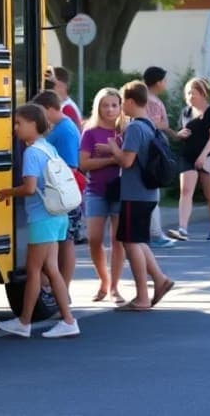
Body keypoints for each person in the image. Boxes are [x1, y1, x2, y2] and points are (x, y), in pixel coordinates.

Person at [0, 103, 81, 338]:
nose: (15, 128)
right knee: (51, 269)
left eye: (19, 123)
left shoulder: (31, 152)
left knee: (34, 270)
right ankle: (68, 320)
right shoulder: (48, 148)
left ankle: (24, 322)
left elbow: (30, 188)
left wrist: (8, 192)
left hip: (42, 218)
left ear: (33, 124)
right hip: (57, 216)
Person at [108, 81, 175, 311]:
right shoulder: (150, 126)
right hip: (148, 193)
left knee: (130, 242)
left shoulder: (135, 128)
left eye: (121, 102)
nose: (120, 108)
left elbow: (127, 161)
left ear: (129, 101)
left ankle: (142, 297)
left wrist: (113, 149)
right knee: (138, 240)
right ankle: (159, 279)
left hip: (134, 193)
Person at [32, 90, 83, 293]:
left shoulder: (66, 130)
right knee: (61, 241)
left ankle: (64, 288)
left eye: (41, 112)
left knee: (66, 241)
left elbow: (71, 166)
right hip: (59, 194)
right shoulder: (59, 128)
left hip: (64, 195)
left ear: (50, 109)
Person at [79, 88, 127, 302]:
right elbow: (83, 164)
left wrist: (112, 151)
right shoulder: (90, 132)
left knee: (118, 240)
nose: (110, 109)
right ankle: (103, 280)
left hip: (121, 190)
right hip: (95, 190)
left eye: (114, 105)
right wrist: (111, 158)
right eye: (105, 105)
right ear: (98, 107)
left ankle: (115, 287)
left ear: (121, 107)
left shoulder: (126, 130)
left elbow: (129, 159)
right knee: (94, 239)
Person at [168, 77, 210, 241]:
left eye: (193, 93)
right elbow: (181, 131)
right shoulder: (186, 112)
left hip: (209, 156)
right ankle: (182, 229)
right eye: (187, 93)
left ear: (203, 93)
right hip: (188, 156)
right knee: (185, 192)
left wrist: (203, 156)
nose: (190, 96)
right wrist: (179, 134)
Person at [141, 67, 177, 249]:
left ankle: (151, 232)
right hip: (154, 151)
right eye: (163, 80)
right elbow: (161, 124)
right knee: (153, 193)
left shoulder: (142, 98)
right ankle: (155, 233)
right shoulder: (153, 101)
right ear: (157, 82)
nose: (165, 84)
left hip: (145, 150)